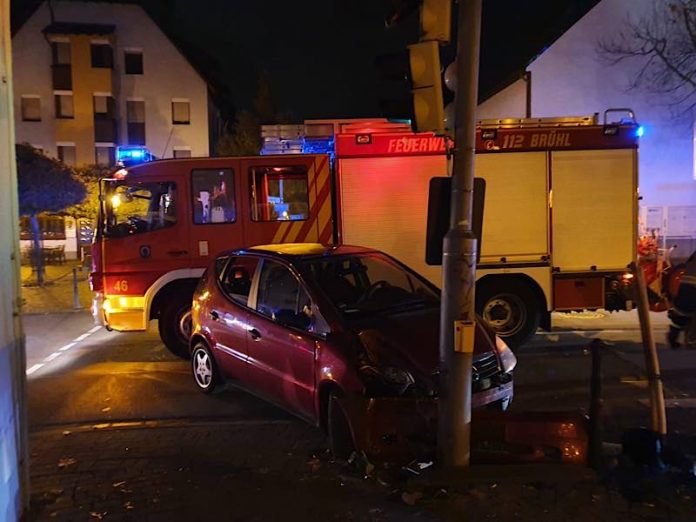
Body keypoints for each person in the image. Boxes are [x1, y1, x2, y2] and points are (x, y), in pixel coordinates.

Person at [667, 249, 696, 348]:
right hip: (692, 288)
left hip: (684, 288)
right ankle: (691, 340)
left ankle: (674, 335)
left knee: (683, 315)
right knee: (689, 314)